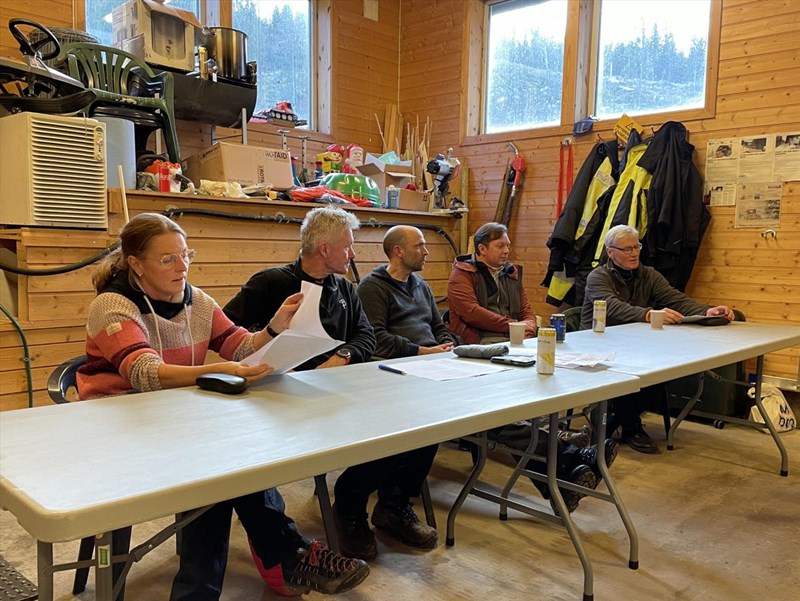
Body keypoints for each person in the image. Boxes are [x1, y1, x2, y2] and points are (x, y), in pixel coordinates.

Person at [78, 213, 369, 600]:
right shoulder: (112, 306)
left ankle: (212, 587)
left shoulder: (196, 300)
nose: (182, 266)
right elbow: (143, 373)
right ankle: (290, 556)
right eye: (168, 259)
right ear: (135, 264)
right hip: (115, 427)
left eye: (186, 255)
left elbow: (238, 344)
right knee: (219, 473)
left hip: (175, 418)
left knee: (226, 468)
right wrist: (220, 368)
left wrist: (273, 330)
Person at [361, 226, 615, 515]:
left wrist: (445, 343)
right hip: (405, 371)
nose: (426, 251)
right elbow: (376, 337)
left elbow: (439, 326)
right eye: (420, 246)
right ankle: (568, 460)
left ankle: (560, 478)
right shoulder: (373, 287)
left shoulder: (420, 285)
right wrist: (421, 351)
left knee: (491, 409)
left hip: (438, 362)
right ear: (398, 251)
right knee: (488, 413)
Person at [224, 206, 400, 561]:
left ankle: (353, 507)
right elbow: (226, 333)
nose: (353, 254)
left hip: (334, 391)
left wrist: (343, 358)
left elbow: (367, 337)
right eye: (348, 246)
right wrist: (267, 342)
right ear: (324, 249)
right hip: (277, 400)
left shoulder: (346, 289)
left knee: (404, 430)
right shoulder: (270, 283)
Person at [581, 224, 735, 453]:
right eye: (626, 249)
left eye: (636, 247)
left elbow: (674, 298)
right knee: (623, 371)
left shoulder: (649, 274)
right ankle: (632, 428)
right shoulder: (598, 277)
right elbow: (611, 306)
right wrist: (648, 313)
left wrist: (706, 311)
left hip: (636, 342)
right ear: (610, 252)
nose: (634, 253)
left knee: (667, 368)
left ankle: (616, 420)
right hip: (599, 343)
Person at [447, 222, 538, 344]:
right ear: (482, 249)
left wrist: (530, 325)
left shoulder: (511, 272)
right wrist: (514, 326)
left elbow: (526, 311)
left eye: (508, 246)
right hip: (480, 340)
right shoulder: (463, 274)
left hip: (515, 335)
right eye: (500, 246)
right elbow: (472, 313)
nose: (506, 251)